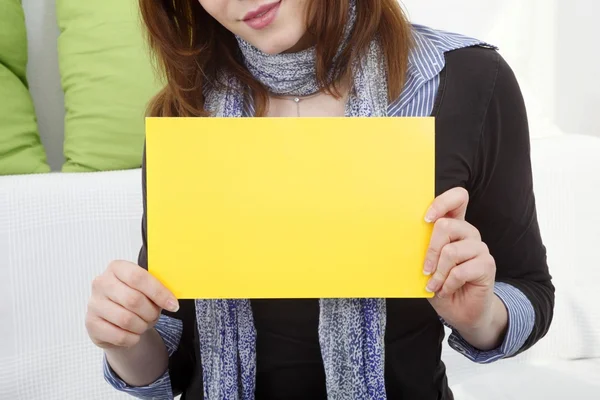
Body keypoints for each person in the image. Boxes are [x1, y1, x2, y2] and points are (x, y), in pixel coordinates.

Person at [85, 0, 554, 399]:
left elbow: (530, 289)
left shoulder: (470, 80)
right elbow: (172, 352)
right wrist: (125, 338)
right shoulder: (184, 110)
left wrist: (482, 315)